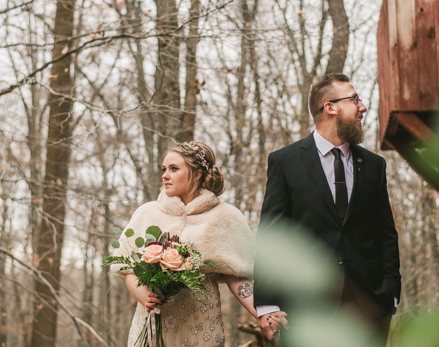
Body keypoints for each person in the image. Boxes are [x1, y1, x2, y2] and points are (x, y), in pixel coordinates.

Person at [254, 73, 401, 346]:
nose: (363, 107)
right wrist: (266, 305)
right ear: (330, 107)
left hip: (369, 308)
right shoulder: (285, 162)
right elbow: (272, 235)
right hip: (305, 309)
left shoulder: (373, 165)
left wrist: (390, 293)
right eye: (354, 99)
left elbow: (386, 234)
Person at [112, 141, 261, 347]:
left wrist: (264, 313)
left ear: (197, 174)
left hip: (200, 327)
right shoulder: (147, 213)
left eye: (174, 169)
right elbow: (129, 269)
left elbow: (237, 275)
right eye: (164, 169)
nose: (165, 175)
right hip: (153, 327)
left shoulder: (226, 216)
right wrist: (145, 297)